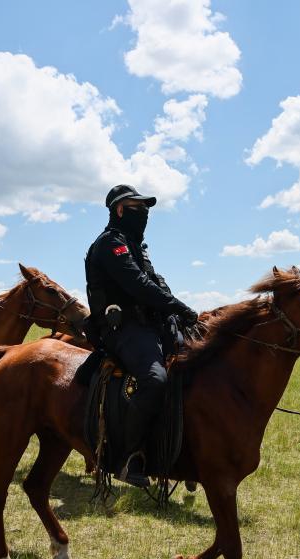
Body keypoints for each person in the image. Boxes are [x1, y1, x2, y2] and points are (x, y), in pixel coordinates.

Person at [84, 185, 198, 487]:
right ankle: (126, 457)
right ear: (120, 210)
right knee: (155, 379)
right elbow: (136, 285)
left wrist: (175, 310)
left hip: (152, 324)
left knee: (196, 366)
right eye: (138, 207)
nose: (144, 213)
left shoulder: (137, 247)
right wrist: (177, 305)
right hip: (124, 329)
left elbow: (157, 284)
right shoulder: (110, 244)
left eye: (146, 208)